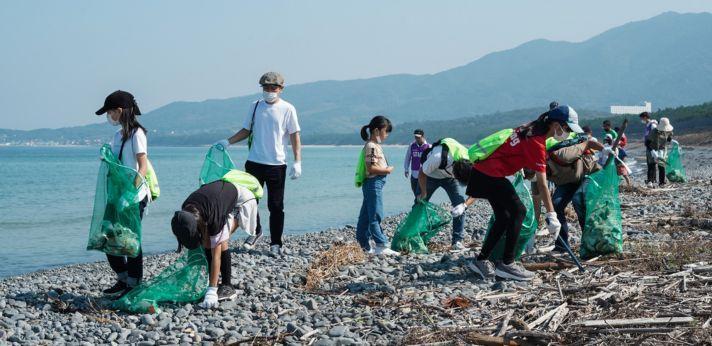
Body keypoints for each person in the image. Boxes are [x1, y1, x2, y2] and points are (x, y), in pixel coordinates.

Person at [453, 105, 584, 281]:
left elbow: (516, 152)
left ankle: (481, 260)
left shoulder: (530, 128)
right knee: (519, 211)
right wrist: (552, 214)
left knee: (504, 216)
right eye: (567, 128)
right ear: (555, 125)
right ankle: (507, 264)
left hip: (483, 173)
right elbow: (543, 185)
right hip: (490, 175)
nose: (567, 132)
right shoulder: (537, 142)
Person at [216, 72, 302, 255]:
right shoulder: (255, 106)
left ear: (281, 89)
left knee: (276, 205)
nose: (269, 91)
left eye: (273, 88)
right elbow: (246, 130)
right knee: (248, 201)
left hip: (277, 164)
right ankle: (256, 232)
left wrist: (297, 161)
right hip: (254, 162)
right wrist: (228, 141)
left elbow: (295, 135)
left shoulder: (288, 109)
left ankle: (276, 242)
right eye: (266, 87)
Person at [95, 90, 150, 297]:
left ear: (119, 111)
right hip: (117, 194)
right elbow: (116, 161)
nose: (109, 117)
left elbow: (142, 166)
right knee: (108, 236)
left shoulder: (138, 134)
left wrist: (130, 193)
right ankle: (123, 277)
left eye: (110, 112)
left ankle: (134, 283)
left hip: (133, 196)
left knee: (130, 239)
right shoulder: (117, 135)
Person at [171, 179, 258, 308]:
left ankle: (227, 286)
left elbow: (215, 255)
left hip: (243, 200)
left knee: (221, 242)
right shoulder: (185, 213)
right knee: (208, 242)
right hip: (219, 200)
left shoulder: (213, 217)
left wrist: (211, 291)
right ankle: (216, 282)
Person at [547, 135, 604, 252]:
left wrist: (606, 150)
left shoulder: (562, 155)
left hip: (588, 174)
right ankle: (561, 246)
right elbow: (537, 200)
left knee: (579, 199)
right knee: (556, 204)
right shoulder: (537, 174)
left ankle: (590, 242)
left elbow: (589, 143)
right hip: (569, 180)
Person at [355, 116, 400, 256]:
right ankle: (380, 244)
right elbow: (371, 168)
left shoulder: (374, 145)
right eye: (385, 132)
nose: (386, 136)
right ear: (376, 130)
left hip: (374, 183)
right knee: (375, 214)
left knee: (366, 215)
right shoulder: (371, 146)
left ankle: (364, 245)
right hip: (374, 183)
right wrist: (387, 170)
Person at [416, 138, 470, 250]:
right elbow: (422, 173)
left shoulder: (469, 161)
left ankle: (457, 241)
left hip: (449, 179)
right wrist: (423, 192)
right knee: (419, 204)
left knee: (459, 204)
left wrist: (464, 205)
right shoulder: (437, 158)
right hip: (430, 176)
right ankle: (414, 237)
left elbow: (477, 190)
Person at [404, 129, 431, 198]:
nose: (417, 138)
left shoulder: (428, 146)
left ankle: (417, 207)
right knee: (416, 194)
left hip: (423, 174)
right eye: (415, 137)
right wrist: (406, 169)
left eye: (418, 137)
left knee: (419, 194)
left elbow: (431, 162)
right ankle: (420, 206)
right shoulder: (412, 146)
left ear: (423, 136)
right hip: (414, 174)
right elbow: (407, 158)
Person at [650, 117, 674, 187]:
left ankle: (662, 182)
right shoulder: (654, 131)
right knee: (652, 165)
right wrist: (653, 152)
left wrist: (672, 141)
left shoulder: (669, 131)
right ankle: (651, 181)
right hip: (654, 149)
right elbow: (649, 142)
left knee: (661, 166)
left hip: (663, 149)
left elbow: (669, 139)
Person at [640, 112, 659, 188]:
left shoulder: (652, 125)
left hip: (651, 147)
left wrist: (652, 147)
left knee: (651, 164)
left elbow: (655, 135)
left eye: (642, 118)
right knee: (650, 164)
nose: (641, 120)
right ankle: (651, 180)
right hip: (648, 147)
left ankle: (651, 180)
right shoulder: (647, 125)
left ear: (645, 117)